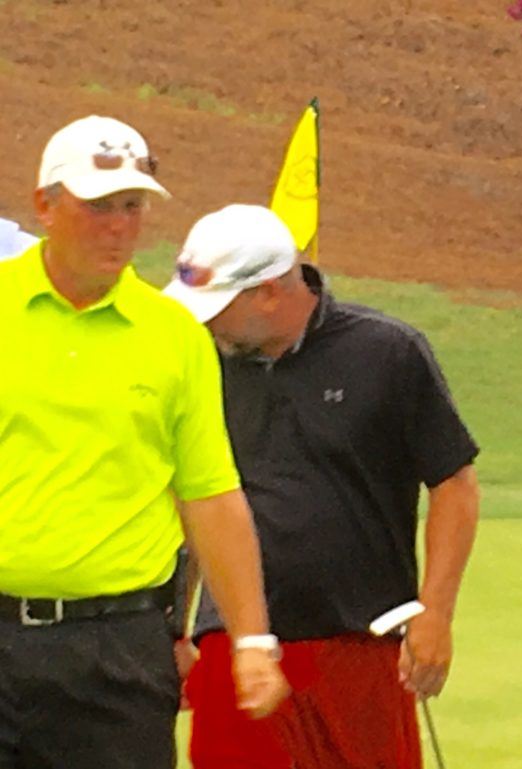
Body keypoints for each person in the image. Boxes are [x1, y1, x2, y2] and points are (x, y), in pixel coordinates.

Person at [0, 116, 288, 769]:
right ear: (45, 204)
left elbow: (209, 494)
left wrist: (250, 638)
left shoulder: (173, 335)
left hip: (117, 649)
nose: (119, 226)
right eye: (98, 206)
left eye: (132, 207)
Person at [163, 204, 481, 769]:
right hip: (233, 646)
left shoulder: (387, 352)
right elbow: (191, 503)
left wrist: (436, 614)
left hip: (360, 644)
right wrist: (175, 628)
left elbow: (453, 482)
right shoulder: (199, 363)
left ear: (268, 292)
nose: (205, 324)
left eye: (217, 308)